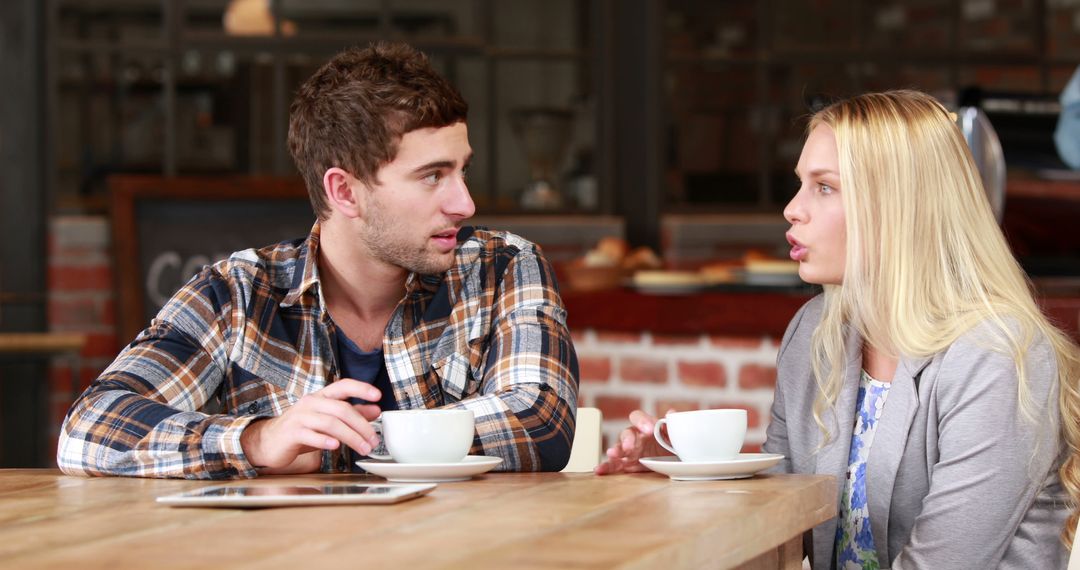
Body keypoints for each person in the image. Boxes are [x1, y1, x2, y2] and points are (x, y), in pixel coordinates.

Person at [596, 90, 1080, 569]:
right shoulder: (816, 332)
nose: (792, 208)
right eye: (800, 183)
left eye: (823, 187)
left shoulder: (995, 353)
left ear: (897, 206)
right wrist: (684, 472)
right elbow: (781, 518)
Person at [57, 42, 580, 479]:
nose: (464, 203)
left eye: (462, 170)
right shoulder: (237, 292)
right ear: (345, 193)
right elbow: (89, 429)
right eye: (432, 176)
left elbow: (543, 420)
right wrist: (259, 441)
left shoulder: (504, 266)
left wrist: (345, 441)